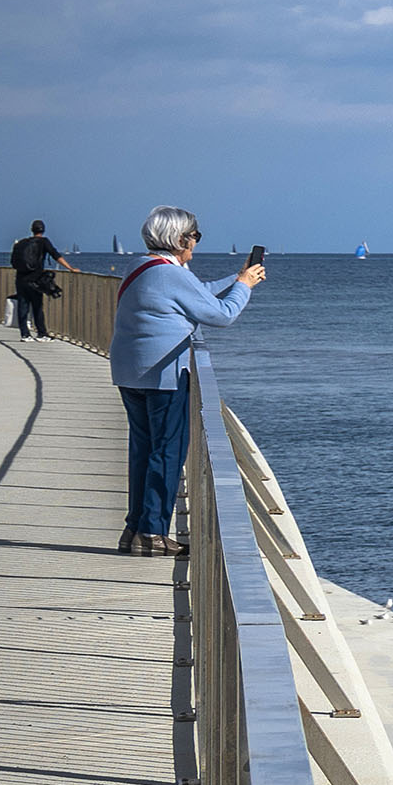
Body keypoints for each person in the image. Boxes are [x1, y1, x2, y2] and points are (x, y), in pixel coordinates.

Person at [108, 207, 264, 558]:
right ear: (180, 240)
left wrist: (235, 278)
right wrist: (244, 288)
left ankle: (134, 527)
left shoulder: (141, 267)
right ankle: (152, 533)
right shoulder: (172, 275)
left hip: (129, 370)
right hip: (164, 372)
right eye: (195, 236)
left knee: (143, 450)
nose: (196, 242)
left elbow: (197, 291)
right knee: (168, 451)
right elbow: (221, 315)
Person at [7, 217, 66, 339]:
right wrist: (70, 268)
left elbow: (13, 261)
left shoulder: (22, 243)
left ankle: (25, 334)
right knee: (37, 306)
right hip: (35, 279)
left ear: (32, 230)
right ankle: (42, 333)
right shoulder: (43, 242)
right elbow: (55, 255)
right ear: (43, 230)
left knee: (23, 306)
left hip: (20, 278)